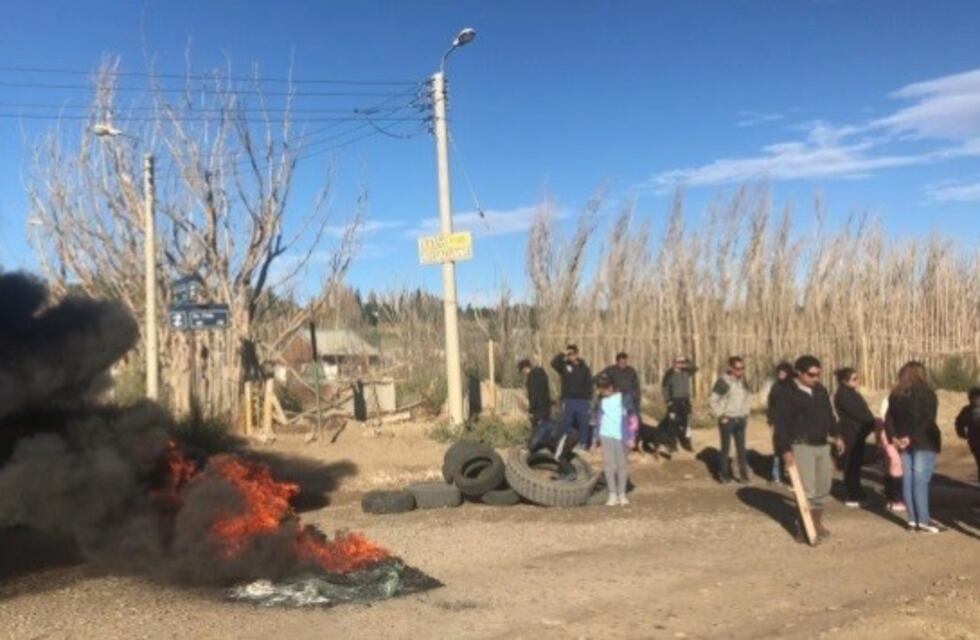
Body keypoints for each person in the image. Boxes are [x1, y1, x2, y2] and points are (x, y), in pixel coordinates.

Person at [772, 355, 844, 542]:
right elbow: (780, 424)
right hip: (801, 445)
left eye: (818, 375)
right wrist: (785, 450)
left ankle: (816, 523)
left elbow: (829, 415)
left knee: (823, 487)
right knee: (807, 490)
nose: (815, 379)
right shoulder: (786, 392)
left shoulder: (820, 390)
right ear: (799, 373)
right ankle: (803, 528)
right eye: (811, 375)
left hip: (822, 444)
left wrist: (836, 436)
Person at [887, 361, 943, 533]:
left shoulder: (895, 394)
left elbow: (889, 418)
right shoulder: (926, 392)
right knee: (920, 482)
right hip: (923, 441)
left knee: (908, 481)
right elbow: (927, 419)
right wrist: (910, 437)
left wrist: (895, 437)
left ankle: (912, 520)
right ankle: (924, 520)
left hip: (903, 442)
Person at [833, 367, 876, 507]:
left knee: (856, 464)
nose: (857, 381)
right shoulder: (843, 395)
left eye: (857, 378)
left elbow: (864, 411)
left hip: (857, 432)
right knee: (851, 464)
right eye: (854, 379)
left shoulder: (851, 393)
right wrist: (873, 422)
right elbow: (858, 413)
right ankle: (852, 495)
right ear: (845, 381)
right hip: (850, 433)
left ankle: (856, 492)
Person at [592, 374, 636, 506]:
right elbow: (598, 419)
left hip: (621, 436)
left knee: (622, 466)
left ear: (610, 387)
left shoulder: (624, 398)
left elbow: (632, 418)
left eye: (602, 389)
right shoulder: (600, 400)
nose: (600, 392)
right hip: (605, 435)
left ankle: (622, 494)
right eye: (599, 389)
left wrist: (632, 437)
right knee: (609, 465)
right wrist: (594, 439)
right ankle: (612, 494)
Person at [709, 356, 751, 484]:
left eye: (743, 368)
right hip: (727, 419)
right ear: (731, 368)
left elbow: (746, 399)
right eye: (738, 368)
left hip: (740, 419)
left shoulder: (743, 381)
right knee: (726, 449)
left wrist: (746, 414)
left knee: (741, 449)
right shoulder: (723, 382)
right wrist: (721, 416)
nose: (741, 371)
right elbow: (712, 400)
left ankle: (744, 476)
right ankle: (724, 475)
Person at [551, 344, 594, 449]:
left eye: (573, 354)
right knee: (567, 422)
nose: (571, 356)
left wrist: (589, 399)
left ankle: (582, 444)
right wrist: (563, 354)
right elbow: (553, 363)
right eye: (569, 354)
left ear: (577, 354)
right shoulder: (564, 366)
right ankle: (565, 443)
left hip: (582, 401)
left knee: (583, 422)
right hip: (569, 400)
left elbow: (589, 384)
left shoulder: (584, 368)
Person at [766, 362, 795, 485]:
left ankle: (793, 475)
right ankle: (777, 474)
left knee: (792, 449)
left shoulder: (794, 387)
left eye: (783, 372)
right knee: (778, 449)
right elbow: (771, 404)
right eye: (779, 372)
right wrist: (771, 419)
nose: (781, 374)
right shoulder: (776, 387)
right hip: (778, 422)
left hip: (792, 423)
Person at [876, 397, 906, 513]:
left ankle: (891, 500)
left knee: (889, 473)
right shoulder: (888, 422)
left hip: (887, 446)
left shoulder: (880, 422)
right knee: (897, 473)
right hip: (892, 446)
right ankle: (896, 500)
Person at [662, 356, 698, 451]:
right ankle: (672, 444)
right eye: (679, 362)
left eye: (682, 362)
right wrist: (668, 400)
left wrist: (687, 361)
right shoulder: (669, 374)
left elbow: (695, 368)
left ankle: (687, 443)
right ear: (674, 363)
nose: (680, 364)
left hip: (685, 400)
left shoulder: (686, 371)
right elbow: (664, 387)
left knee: (687, 423)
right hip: (674, 401)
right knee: (672, 423)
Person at [601, 352, 641, 418]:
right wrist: (607, 391)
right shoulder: (611, 370)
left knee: (633, 420)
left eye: (625, 362)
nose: (623, 364)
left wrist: (637, 399)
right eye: (621, 362)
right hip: (615, 399)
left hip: (630, 398)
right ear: (617, 362)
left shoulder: (631, 371)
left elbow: (636, 386)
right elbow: (600, 379)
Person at [954, 386, 980, 482]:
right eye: (972, 398)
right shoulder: (966, 410)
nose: (975, 400)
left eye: (977, 398)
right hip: (974, 441)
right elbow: (959, 422)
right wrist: (961, 433)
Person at [518, 358, 552, 429]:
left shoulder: (531, 378)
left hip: (537, 410)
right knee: (546, 429)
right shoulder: (542, 373)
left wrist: (531, 410)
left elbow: (534, 394)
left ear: (525, 368)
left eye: (522, 371)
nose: (523, 374)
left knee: (537, 431)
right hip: (546, 407)